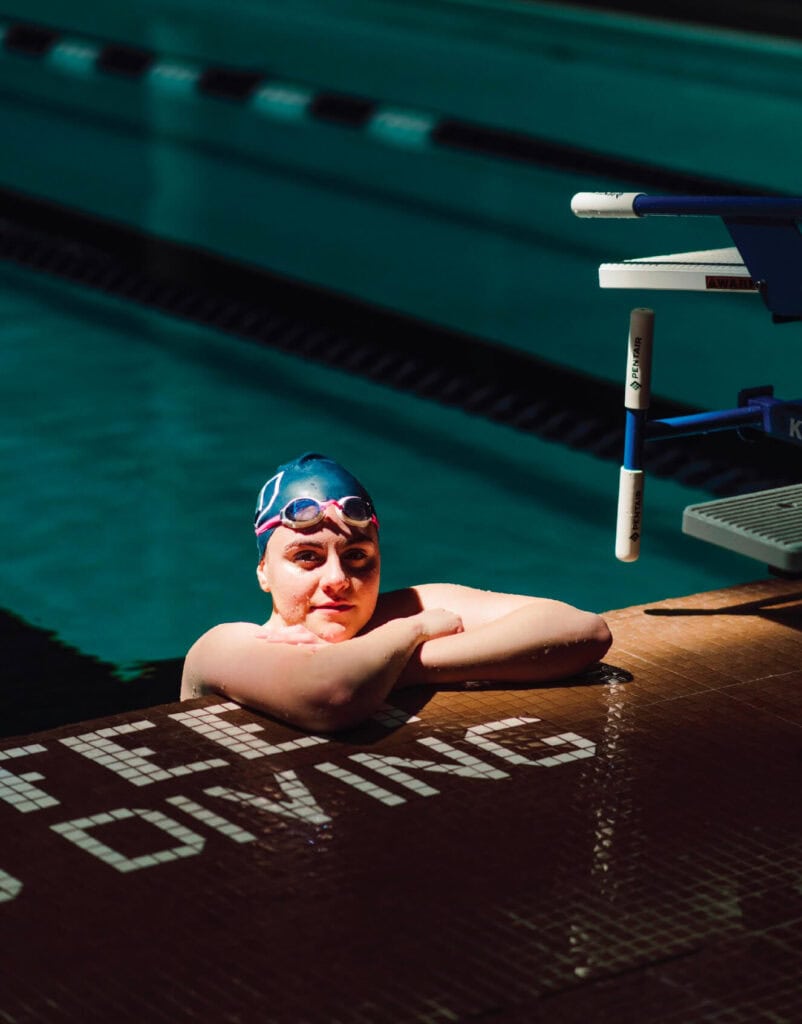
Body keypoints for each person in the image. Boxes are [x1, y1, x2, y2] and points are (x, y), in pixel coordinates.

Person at [181, 452, 612, 732]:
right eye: (307, 557)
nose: (337, 579)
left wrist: (396, 665)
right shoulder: (223, 646)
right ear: (263, 571)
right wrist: (412, 632)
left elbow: (582, 631)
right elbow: (331, 694)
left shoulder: (398, 613)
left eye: (357, 557)